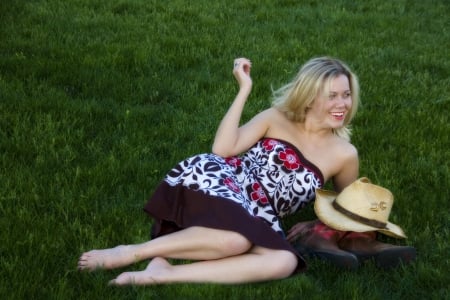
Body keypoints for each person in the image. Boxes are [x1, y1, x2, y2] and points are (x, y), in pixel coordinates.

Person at [78, 56, 414, 286]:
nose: (342, 104)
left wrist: (346, 227)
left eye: (346, 95)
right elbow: (223, 150)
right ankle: (130, 252)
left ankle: (162, 274)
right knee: (237, 240)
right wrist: (244, 91)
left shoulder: (344, 153)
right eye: (333, 96)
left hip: (262, 213)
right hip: (224, 181)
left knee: (283, 263)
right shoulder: (276, 117)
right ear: (310, 97)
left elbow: (346, 204)